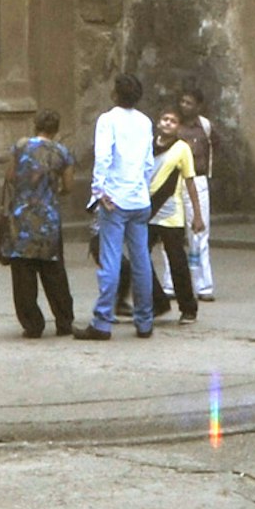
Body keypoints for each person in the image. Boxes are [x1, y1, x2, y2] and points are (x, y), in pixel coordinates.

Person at [83, 73, 159, 340]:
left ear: (116, 94)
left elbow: (103, 156)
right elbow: (149, 162)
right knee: (141, 261)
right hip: (139, 198)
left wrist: (98, 191)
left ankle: (102, 320)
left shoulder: (108, 120)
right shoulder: (145, 121)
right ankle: (145, 320)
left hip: (115, 198)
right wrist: (142, 186)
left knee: (110, 261)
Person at [0, 109, 78, 337]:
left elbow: (10, 176)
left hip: (21, 216)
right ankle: (64, 321)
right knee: (54, 271)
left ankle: (32, 324)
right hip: (48, 218)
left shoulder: (21, 145)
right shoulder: (63, 152)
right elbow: (69, 186)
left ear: (35, 125)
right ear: (56, 129)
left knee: (23, 272)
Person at [144, 108, 203, 324]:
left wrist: (197, 215)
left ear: (178, 127)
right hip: (147, 211)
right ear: (158, 122)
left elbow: (190, 181)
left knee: (176, 260)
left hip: (171, 212)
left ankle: (188, 307)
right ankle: (158, 301)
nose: (168, 123)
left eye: (173, 121)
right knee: (139, 256)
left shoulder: (181, 149)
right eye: (165, 119)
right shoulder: (148, 145)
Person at [176, 87, 220, 303]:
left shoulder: (205, 127)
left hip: (198, 181)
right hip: (175, 184)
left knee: (199, 233)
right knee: (172, 233)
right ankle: (171, 284)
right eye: (182, 102)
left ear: (198, 106)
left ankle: (203, 285)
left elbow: (215, 148)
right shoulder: (174, 126)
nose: (185, 106)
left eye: (189, 103)